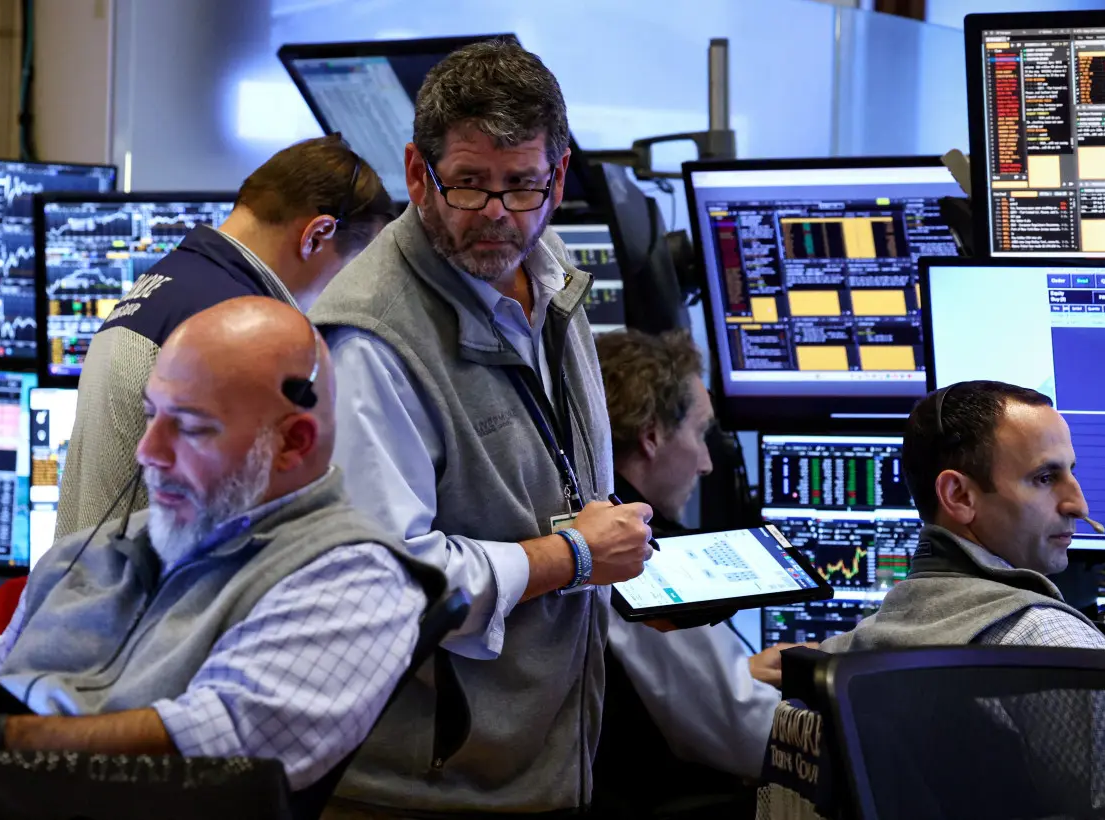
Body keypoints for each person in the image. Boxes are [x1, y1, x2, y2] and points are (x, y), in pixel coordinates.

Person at [0, 297, 442, 799]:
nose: (148, 452)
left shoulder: (352, 578)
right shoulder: (102, 547)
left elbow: (219, 759)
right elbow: (0, 663)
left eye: (192, 427)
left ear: (291, 442)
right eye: (152, 414)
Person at [310, 39, 654, 815]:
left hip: (542, 765)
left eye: (521, 185)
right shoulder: (369, 338)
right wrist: (570, 556)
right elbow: (391, 582)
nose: (497, 215)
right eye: (468, 184)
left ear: (557, 177)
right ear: (415, 174)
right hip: (418, 791)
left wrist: (613, 564)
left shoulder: (548, 265)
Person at [55, 135, 394, 541]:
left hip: (92, 586)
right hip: (163, 599)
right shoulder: (236, 329)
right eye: (352, 268)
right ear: (316, 236)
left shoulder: (166, 285)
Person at [590, 329, 796, 817]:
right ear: (653, 436)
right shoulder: (637, 555)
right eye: (700, 433)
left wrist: (733, 676)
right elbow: (753, 737)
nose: (705, 464)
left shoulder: (582, 522)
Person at [822, 380, 1105, 652]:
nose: (1079, 506)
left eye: (1070, 472)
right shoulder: (1057, 640)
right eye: (1045, 478)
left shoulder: (843, 653)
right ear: (958, 496)